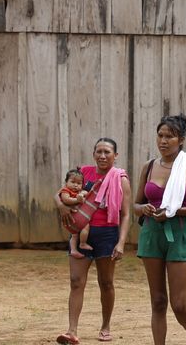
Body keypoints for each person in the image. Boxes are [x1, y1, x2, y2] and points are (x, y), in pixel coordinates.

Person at [134, 113, 186, 345]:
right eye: (160, 135)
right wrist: (143, 209)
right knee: (158, 301)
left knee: (178, 304)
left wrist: (174, 211)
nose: (164, 141)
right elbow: (136, 204)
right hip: (151, 234)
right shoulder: (149, 166)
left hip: (180, 233)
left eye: (170, 136)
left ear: (181, 140)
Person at [56, 137, 132, 345]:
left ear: (115, 155)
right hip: (81, 231)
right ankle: (71, 331)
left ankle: (105, 326)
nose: (102, 155)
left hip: (108, 235)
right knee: (76, 281)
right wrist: (61, 205)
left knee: (106, 282)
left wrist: (121, 242)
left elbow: (126, 214)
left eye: (107, 152)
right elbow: (61, 192)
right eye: (98, 151)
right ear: (93, 154)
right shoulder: (84, 173)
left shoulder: (120, 179)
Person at [60, 168, 95, 258]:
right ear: (66, 182)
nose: (75, 185)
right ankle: (75, 248)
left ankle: (80, 245)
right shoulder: (66, 190)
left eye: (79, 183)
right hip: (71, 217)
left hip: (79, 216)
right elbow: (66, 199)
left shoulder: (79, 192)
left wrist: (83, 193)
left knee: (82, 229)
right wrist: (77, 199)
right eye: (73, 182)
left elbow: (86, 193)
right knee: (74, 234)